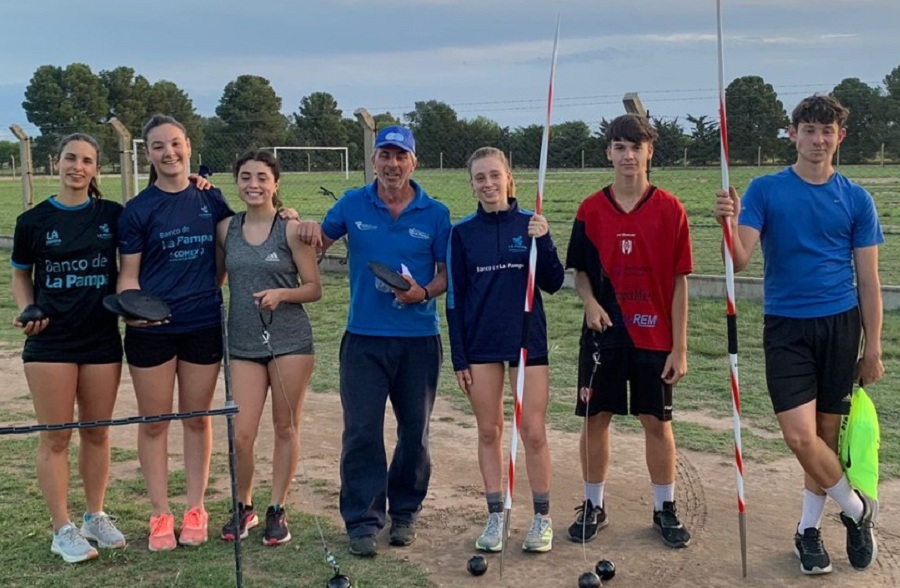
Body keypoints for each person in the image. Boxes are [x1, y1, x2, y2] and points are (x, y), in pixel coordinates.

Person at [714, 94, 883, 575]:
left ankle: (808, 531)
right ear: (793, 134)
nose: (818, 140)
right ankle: (857, 509)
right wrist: (727, 221)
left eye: (827, 131)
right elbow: (739, 260)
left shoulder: (856, 198)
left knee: (826, 435)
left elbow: (869, 281)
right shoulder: (766, 190)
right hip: (786, 326)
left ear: (840, 137)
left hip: (841, 325)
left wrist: (873, 347)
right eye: (809, 130)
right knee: (799, 435)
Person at [297, 126, 451, 557]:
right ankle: (362, 521)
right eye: (385, 155)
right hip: (364, 339)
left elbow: (445, 275)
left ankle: (404, 512)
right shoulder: (352, 204)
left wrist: (422, 292)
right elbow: (317, 244)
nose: (392, 164)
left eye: (400, 156)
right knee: (362, 431)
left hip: (419, 339)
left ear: (413, 162)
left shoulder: (436, 213)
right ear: (374, 161)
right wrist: (299, 226)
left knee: (415, 432)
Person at [565, 114, 693, 549]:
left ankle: (664, 508)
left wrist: (679, 347)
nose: (628, 155)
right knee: (595, 418)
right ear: (608, 153)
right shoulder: (590, 209)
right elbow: (580, 271)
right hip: (604, 334)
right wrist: (590, 302)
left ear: (649, 152)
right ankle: (593, 504)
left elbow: (680, 282)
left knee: (656, 421)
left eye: (636, 147)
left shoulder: (670, 209)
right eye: (620, 147)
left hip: (654, 336)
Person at [117, 114, 234, 551]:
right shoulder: (137, 210)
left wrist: (289, 215)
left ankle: (196, 508)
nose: (169, 153)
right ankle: (160, 513)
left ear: (188, 146)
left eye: (175, 143)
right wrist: (133, 312)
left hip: (202, 324)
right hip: (152, 332)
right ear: (147, 154)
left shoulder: (211, 198)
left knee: (197, 418)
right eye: (158, 146)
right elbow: (128, 275)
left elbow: (232, 249)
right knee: (154, 422)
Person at [10, 133, 127, 563]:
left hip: (102, 339)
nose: (78, 166)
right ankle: (62, 529)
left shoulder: (112, 215)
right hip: (51, 343)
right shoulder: (33, 221)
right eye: (70, 158)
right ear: (55, 162)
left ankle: (95, 515)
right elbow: (21, 275)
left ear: (97, 168)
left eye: (87, 160)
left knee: (97, 432)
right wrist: (28, 310)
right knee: (56, 437)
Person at [446, 147, 564, 553]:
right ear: (471, 184)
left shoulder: (529, 224)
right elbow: (455, 299)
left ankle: (542, 518)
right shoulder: (462, 233)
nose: (488, 184)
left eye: (495, 175)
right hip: (481, 343)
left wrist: (543, 240)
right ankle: (496, 515)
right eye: (480, 177)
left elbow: (552, 281)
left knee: (533, 431)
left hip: (527, 340)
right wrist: (459, 356)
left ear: (509, 178)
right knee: (489, 430)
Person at [216, 150, 321, 545]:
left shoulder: (291, 230)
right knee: (241, 433)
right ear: (237, 182)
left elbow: (314, 288)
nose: (253, 184)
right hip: (243, 342)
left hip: (290, 342)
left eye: (262, 177)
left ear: (276, 183)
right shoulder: (226, 229)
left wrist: (282, 294)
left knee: (284, 425)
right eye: (245, 177)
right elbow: (217, 278)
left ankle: (278, 507)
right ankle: (244, 506)